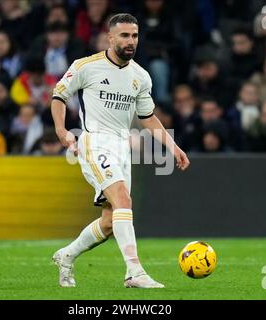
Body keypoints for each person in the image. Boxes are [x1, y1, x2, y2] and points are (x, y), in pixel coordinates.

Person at [50, 13, 189, 289]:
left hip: (121, 146)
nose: (130, 41)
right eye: (124, 35)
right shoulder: (86, 66)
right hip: (95, 141)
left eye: (135, 36)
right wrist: (61, 130)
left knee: (112, 219)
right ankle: (134, 272)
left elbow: (148, 117)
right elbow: (59, 96)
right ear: (110, 37)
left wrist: (172, 146)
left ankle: (66, 255)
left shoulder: (141, 76)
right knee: (123, 200)